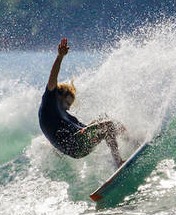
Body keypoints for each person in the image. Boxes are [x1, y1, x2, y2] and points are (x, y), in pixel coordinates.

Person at [39, 38, 125, 168]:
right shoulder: (49, 104)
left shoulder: (63, 115)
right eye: (67, 103)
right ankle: (119, 161)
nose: (68, 108)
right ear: (59, 95)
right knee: (108, 124)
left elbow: (82, 129)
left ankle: (131, 140)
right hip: (76, 144)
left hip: (79, 144)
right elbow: (52, 78)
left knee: (103, 118)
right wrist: (60, 57)